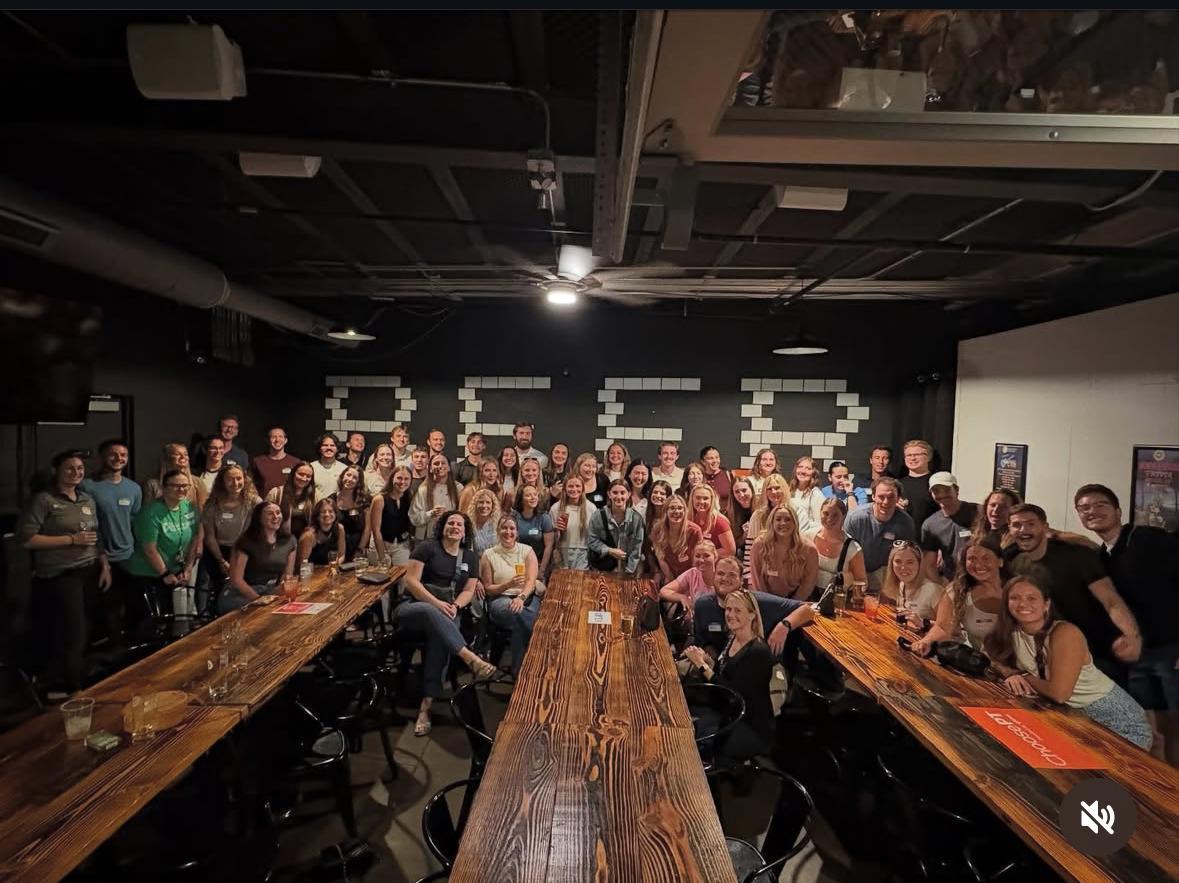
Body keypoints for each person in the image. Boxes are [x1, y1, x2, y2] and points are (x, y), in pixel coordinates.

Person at [1075, 483, 1179, 762]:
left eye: (1100, 505)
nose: (1092, 511)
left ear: (1119, 511)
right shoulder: (1102, 556)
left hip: (1170, 650)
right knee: (1153, 729)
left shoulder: (1146, 539)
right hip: (1138, 655)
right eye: (1084, 508)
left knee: (1174, 725)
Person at [986, 576, 1152, 750]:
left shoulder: (1064, 633)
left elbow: (1059, 694)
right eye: (1015, 598)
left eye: (1031, 598)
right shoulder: (1011, 633)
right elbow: (990, 659)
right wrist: (1010, 673)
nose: (1023, 604)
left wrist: (1022, 676)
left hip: (1117, 721)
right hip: (1074, 718)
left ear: (1046, 605)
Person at [1007, 503, 1141, 685]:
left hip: (1097, 652)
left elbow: (1110, 599)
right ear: (1010, 529)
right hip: (1051, 654)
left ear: (1045, 527)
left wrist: (1131, 635)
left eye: (1031, 524)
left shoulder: (1076, 556)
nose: (1023, 530)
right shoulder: (1014, 560)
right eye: (1017, 525)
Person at [395, 511, 497, 735]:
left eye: (460, 524)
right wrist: (437, 604)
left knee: (440, 642)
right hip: (413, 607)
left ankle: (426, 707)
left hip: (449, 611)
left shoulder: (470, 557)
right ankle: (469, 657)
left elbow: (469, 590)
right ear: (442, 526)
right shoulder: (426, 548)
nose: (455, 527)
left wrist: (456, 606)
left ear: (465, 532)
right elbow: (410, 581)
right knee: (429, 611)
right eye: (451, 523)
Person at [18, 450, 112, 691]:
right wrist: (71, 540)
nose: (76, 473)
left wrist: (105, 564)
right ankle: (71, 688)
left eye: (80, 468)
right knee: (72, 631)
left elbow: (96, 535)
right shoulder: (44, 500)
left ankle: (81, 677)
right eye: (70, 468)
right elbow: (27, 539)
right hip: (61, 574)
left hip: (89, 570)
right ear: (57, 471)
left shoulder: (86, 499)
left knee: (87, 628)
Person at [680, 590, 775, 760]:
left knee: (689, 738)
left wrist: (702, 666)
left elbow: (733, 693)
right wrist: (708, 661)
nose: (730, 615)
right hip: (727, 710)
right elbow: (725, 674)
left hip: (747, 724)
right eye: (728, 609)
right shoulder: (733, 638)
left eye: (737, 610)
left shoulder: (758, 652)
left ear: (752, 615)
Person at [691, 558, 817, 665]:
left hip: (756, 668)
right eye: (720, 573)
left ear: (741, 580)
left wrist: (784, 626)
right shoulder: (702, 605)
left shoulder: (758, 601)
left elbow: (807, 610)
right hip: (718, 667)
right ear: (714, 576)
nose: (725, 578)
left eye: (732, 575)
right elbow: (701, 640)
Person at [82, 439, 141, 636]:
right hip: (98, 559)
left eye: (123, 455)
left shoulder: (134, 488)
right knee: (103, 612)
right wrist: (102, 559)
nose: (119, 458)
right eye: (113, 454)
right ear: (102, 457)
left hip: (128, 558)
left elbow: (134, 522)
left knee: (129, 609)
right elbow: (87, 524)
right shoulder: (88, 486)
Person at [126, 468, 201, 619]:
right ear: (164, 487)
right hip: (149, 573)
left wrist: (187, 568)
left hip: (175, 572)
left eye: (185, 485)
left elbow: (195, 538)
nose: (181, 489)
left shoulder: (189, 507)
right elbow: (149, 549)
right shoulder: (150, 512)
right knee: (152, 621)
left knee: (174, 618)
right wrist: (164, 573)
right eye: (176, 486)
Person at [912, 537, 1007, 655]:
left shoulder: (1018, 589)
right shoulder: (957, 591)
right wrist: (926, 641)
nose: (978, 565)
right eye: (972, 559)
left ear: (1000, 561)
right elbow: (943, 628)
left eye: (986, 558)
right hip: (983, 662)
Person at [481, 515, 542, 675]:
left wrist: (521, 597)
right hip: (501, 599)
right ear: (498, 531)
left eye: (512, 528)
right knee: (527, 617)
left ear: (517, 532)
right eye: (504, 528)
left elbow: (531, 581)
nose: (508, 532)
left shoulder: (527, 551)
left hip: (526, 598)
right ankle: (530, 665)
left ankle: (518, 671)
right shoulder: (489, 554)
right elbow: (488, 588)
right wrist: (507, 585)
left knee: (519, 619)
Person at [218, 500, 296, 613]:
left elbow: (288, 575)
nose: (275, 517)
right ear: (259, 518)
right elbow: (236, 579)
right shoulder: (246, 542)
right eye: (270, 513)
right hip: (241, 594)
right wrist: (259, 600)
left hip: (269, 592)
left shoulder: (289, 541)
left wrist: (278, 593)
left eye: (278, 512)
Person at [201, 464, 259, 610]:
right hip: (219, 553)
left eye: (239, 478)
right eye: (230, 479)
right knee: (221, 594)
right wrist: (221, 561)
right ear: (222, 481)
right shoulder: (212, 504)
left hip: (246, 552)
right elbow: (210, 537)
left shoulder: (254, 502)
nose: (235, 483)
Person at [844, 477, 917, 591]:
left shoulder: (905, 523)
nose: (886, 502)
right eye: (881, 497)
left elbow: (906, 556)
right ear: (873, 496)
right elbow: (845, 552)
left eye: (891, 497)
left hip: (886, 571)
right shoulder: (856, 518)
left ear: (898, 498)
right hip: (854, 567)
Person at [749, 505, 819, 600]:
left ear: (795, 523)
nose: (783, 523)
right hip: (766, 599)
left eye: (788, 519)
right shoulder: (759, 545)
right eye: (778, 519)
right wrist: (767, 602)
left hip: (797, 601)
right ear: (772, 522)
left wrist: (792, 604)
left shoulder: (809, 549)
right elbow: (757, 579)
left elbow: (809, 582)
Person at [921, 472, 979, 583]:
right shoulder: (930, 525)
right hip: (952, 581)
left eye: (946, 490)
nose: (942, 495)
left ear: (956, 490)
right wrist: (941, 587)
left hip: (981, 578)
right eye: (936, 491)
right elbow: (929, 564)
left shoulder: (978, 512)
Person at [586, 479, 645, 575]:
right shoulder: (598, 515)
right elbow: (592, 540)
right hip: (603, 569)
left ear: (629, 494)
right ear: (609, 494)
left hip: (629, 569)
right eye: (615, 493)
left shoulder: (636, 519)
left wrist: (628, 571)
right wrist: (609, 550)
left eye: (622, 493)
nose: (619, 497)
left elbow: (637, 548)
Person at [813, 497, 867, 594]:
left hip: (839, 597)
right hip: (809, 593)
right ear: (820, 513)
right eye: (826, 513)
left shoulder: (853, 548)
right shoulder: (809, 536)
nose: (829, 519)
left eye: (835, 515)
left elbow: (862, 581)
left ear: (844, 516)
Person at [882, 540, 945, 621]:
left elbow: (951, 626)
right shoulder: (901, 584)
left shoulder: (932, 590)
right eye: (898, 561)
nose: (903, 567)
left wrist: (924, 623)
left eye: (910, 562)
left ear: (919, 564)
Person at [659, 539, 719, 623]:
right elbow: (664, 591)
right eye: (697, 556)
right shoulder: (692, 574)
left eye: (706, 556)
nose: (701, 560)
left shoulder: (722, 575)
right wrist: (682, 597)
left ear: (715, 557)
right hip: (698, 624)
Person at [652, 493, 704, 582]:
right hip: (670, 575)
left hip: (692, 576)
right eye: (672, 508)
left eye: (680, 508)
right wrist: (671, 580)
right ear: (666, 511)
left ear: (685, 511)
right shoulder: (657, 530)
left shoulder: (695, 531)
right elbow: (661, 559)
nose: (676, 511)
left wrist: (686, 582)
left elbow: (698, 561)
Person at [410, 452, 461, 539]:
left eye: (443, 463)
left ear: (449, 468)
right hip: (427, 539)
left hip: (450, 538)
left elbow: (463, 514)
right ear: (430, 469)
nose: (440, 466)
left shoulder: (458, 488)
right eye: (436, 463)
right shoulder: (423, 490)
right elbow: (414, 517)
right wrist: (430, 513)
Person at [143, 443, 207, 511]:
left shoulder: (197, 482)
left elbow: (203, 510)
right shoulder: (152, 484)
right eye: (177, 454)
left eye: (186, 454)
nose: (183, 457)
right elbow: (147, 510)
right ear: (167, 458)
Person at [371, 466, 414, 567]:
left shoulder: (409, 496)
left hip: (401, 545)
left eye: (406, 479)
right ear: (392, 478)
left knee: (403, 576)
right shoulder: (379, 499)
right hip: (381, 544)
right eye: (399, 478)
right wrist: (381, 557)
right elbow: (376, 531)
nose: (402, 482)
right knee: (382, 574)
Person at [513, 484, 554, 579]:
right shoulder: (514, 517)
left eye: (535, 494)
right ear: (521, 499)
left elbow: (549, 546)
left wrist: (542, 570)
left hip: (539, 564)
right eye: (528, 495)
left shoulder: (544, 518)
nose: (533, 498)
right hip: (519, 564)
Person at [267, 461, 316, 538]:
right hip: (279, 540)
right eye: (301, 474)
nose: (304, 478)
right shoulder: (276, 493)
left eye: (308, 476)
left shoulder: (314, 496)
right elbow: (264, 517)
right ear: (293, 474)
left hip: (304, 540)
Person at [552, 475, 592, 570]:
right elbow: (551, 539)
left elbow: (594, 536)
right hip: (562, 553)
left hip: (583, 554)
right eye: (570, 486)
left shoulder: (591, 508)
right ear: (565, 489)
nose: (574, 489)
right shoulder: (555, 508)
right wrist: (557, 531)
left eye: (578, 486)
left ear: (583, 488)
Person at [898, 439, 938, 531]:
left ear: (929, 457)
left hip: (931, 535)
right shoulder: (897, 484)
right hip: (903, 536)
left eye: (917, 455)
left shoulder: (936, 482)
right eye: (909, 455)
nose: (912, 458)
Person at [333, 465, 371, 559]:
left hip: (357, 550)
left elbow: (367, 528)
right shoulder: (332, 499)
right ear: (342, 476)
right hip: (336, 549)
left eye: (354, 478)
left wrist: (360, 549)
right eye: (348, 475)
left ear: (358, 482)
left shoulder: (364, 500)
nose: (350, 479)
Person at [252, 427, 301, 498]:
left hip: (289, 502)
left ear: (286, 440)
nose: (277, 440)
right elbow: (251, 486)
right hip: (265, 503)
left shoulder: (295, 462)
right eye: (273, 437)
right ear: (268, 441)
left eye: (280, 437)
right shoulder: (258, 462)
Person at [298, 498, 346, 568]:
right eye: (323, 512)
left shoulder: (339, 529)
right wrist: (324, 569)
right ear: (317, 516)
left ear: (335, 514)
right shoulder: (309, 536)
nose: (327, 514)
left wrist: (333, 566)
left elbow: (341, 555)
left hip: (331, 570)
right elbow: (302, 565)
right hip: (313, 572)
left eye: (330, 511)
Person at [689, 485, 737, 556]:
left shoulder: (720, 522)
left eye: (705, 498)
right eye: (698, 498)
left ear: (711, 500)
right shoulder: (688, 519)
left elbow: (730, 551)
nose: (701, 501)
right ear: (692, 499)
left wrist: (704, 555)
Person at [644, 480, 674, 581]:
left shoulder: (672, 517)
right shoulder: (646, 516)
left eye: (662, 493)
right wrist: (656, 571)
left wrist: (667, 574)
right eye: (655, 492)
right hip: (654, 563)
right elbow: (647, 548)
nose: (658, 495)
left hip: (672, 564)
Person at [787, 456, 824, 538]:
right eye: (800, 467)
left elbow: (820, 524)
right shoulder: (789, 491)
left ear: (814, 473)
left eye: (808, 468)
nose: (803, 471)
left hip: (806, 538)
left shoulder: (816, 494)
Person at [465, 489, 502, 558]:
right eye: (481, 502)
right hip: (475, 560)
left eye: (488, 502)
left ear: (493, 505)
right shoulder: (468, 524)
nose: (484, 506)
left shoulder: (499, 524)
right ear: (475, 505)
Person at [311, 433, 346, 501]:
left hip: (337, 506)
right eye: (325, 445)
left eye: (332, 445)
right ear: (319, 448)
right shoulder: (311, 467)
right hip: (315, 506)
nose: (329, 448)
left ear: (337, 449)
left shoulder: (344, 469)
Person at [700, 446, 734, 516]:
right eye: (711, 458)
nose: (715, 461)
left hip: (727, 517)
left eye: (717, 457)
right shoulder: (700, 477)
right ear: (703, 461)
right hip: (706, 517)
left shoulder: (728, 474)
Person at [729, 477, 755, 564]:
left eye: (744, 490)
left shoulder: (762, 509)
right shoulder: (730, 514)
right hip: (742, 554)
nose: (741, 494)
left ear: (751, 490)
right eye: (737, 492)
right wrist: (745, 535)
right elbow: (734, 545)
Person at [544, 442, 570, 507]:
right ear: (551, 454)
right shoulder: (542, 473)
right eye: (557, 452)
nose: (560, 455)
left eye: (563, 453)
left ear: (567, 457)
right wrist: (550, 493)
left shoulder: (571, 476)